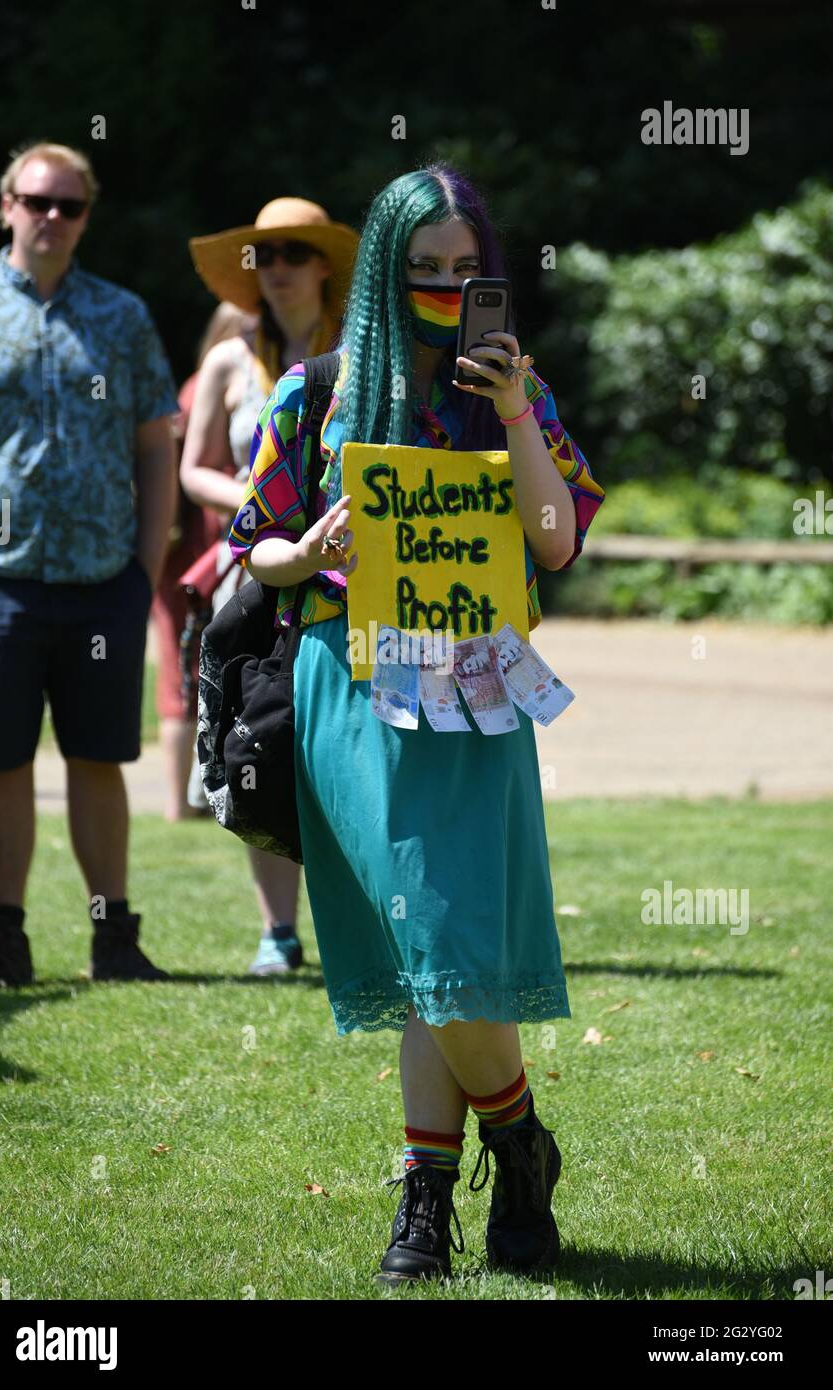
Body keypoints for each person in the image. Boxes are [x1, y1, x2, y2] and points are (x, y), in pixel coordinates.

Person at [227, 164, 605, 1283]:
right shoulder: (318, 393)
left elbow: (557, 539)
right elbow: (256, 542)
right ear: (386, 273)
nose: (447, 287)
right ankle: (496, 1158)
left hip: (479, 690)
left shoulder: (515, 393)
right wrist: (312, 550)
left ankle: (446, 1187)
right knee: (415, 951)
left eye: (465, 269)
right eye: (424, 269)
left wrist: (513, 413)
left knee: (445, 949)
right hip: (348, 681)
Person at [0, 142, 178, 987]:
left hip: (101, 582)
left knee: (99, 760)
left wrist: (145, 571)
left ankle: (113, 940)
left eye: (70, 205)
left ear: (87, 215)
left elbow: (154, 445)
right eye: (37, 201)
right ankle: (4, 938)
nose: (52, 217)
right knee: (2, 761)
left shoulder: (120, 316)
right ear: (7, 205)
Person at [181, 198, 358, 975]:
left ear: (323, 264)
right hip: (253, 574)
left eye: (291, 251)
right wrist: (265, 509)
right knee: (259, 740)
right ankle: (277, 932)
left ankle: (361, 922)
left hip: (344, 576)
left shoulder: (357, 354)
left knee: (343, 748)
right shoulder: (227, 356)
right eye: (262, 254)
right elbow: (192, 470)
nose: (275, 267)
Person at [152, 302, 256, 821]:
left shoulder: (197, 385)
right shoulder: (210, 381)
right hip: (196, 553)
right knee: (183, 672)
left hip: (198, 548)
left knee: (193, 671)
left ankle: (191, 800)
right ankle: (181, 804)